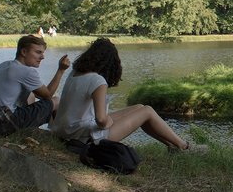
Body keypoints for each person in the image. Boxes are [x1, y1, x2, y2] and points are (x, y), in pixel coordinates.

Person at [50, 38, 203, 152]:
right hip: (84, 138)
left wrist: (107, 120)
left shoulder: (75, 73)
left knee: (140, 107)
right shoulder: (98, 80)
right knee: (147, 111)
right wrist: (108, 122)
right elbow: (102, 120)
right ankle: (185, 147)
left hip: (67, 131)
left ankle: (172, 146)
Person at [0, 35, 70, 129]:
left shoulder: (5, 64)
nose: (42, 57)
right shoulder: (26, 71)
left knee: (31, 94)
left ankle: (33, 129)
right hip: (2, 122)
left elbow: (40, 95)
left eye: (43, 53)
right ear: (24, 52)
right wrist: (61, 70)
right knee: (56, 101)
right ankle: (58, 135)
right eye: (38, 52)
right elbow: (48, 95)